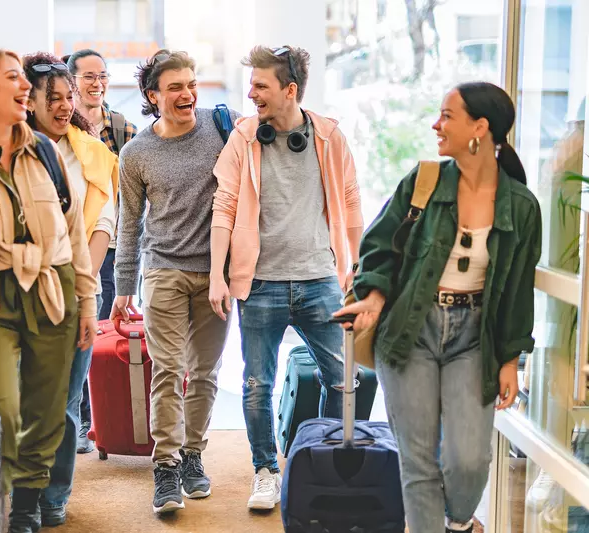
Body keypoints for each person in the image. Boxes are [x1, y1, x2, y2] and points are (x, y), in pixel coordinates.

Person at [334, 82, 541, 533]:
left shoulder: (522, 207)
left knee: (468, 458)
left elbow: (520, 289)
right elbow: (379, 246)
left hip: (476, 337)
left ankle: (461, 523)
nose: (436, 124)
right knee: (419, 458)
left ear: (479, 128)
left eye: (447, 115)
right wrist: (371, 298)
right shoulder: (423, 181)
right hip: (412, 328)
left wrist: (511, 358)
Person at [0, 48, 97, 533]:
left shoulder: (45, 151)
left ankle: (26, 505)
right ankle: (5, 492)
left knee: (48, 410)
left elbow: (73, 234)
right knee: (2, 406)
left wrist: (87, 301)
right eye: (13, 78)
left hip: (53, 286)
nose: (25, 86)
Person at [210, 44, 364, 511]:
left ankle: (323, 462)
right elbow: (225, 206)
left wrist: (354, 270)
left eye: (261, 85)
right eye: (250, 84)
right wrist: (219, 275)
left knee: (343, 379)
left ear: (290, 90)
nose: (251, 93)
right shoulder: (243, 138)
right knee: (258, 384)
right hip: (259, 283)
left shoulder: (329, 137)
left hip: (321, 279)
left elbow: (352, 203)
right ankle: (265, 472)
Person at [110, 49, 240, 515]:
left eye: (191, 84)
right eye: (175, 88)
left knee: (205, 373)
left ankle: (192, 455)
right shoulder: (135, 153)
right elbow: (129, 224)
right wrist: (124, 285)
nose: (187, 94)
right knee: (167, 371)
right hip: (162, 268)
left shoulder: (225, 127)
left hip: (216, 275)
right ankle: (164, 467)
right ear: (153, 96)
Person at [22, 52, 118, 527]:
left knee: (64, 401)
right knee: (22, 399)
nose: (63, 106)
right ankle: (22, 494)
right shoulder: (11, 147)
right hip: (22, 289)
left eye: (68, 97)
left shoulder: (91, 152)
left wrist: (86, 284)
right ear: (29, 100)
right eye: (53, 98)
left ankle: (53, 495)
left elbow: (105, 219)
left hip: (79, 288)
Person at [63, 48, 138, 453]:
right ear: (71, 81)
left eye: (103, 76)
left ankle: (99, 418)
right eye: (89, 76)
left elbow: (132, 194)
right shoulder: (60, 129)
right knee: (78, 331)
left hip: (112, 245)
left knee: (106, 330)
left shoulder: (123, 128)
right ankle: (78, 420)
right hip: (73, 245)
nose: (98, 84)